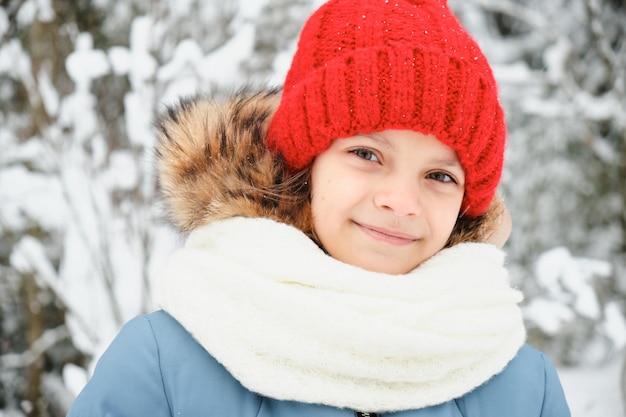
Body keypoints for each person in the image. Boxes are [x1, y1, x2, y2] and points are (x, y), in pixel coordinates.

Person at [66, 0, 571, 415]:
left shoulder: (523, 388)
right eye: (367, 155)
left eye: (439, 176)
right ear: (307, 163)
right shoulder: (162, 363)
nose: (401, 201)